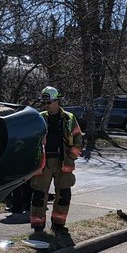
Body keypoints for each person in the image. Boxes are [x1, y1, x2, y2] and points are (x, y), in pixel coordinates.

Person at [27, 85, 83, 233]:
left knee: (64, 194)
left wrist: (71, 155)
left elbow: (78, 139)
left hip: (63, 163)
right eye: (45, 103)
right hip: (44, 164)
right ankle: (38, 226)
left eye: (49, 102)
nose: (47, 106)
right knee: (39, 195)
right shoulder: (39, 118)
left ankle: (58, 224)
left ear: (57, 101)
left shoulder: (69, 118)